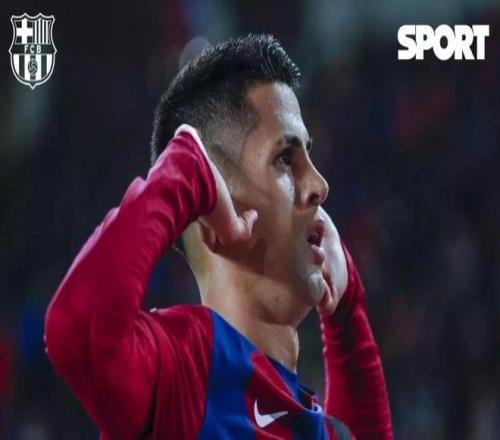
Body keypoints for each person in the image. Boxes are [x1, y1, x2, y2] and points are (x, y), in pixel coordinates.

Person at [44, 34, 393, 440]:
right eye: (286, 158)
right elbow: (78, 331)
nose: (319, 184)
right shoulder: (183, 374)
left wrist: (347, 313)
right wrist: (185, 169)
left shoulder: (312, 421)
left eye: (309, 157)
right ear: (213, 211)